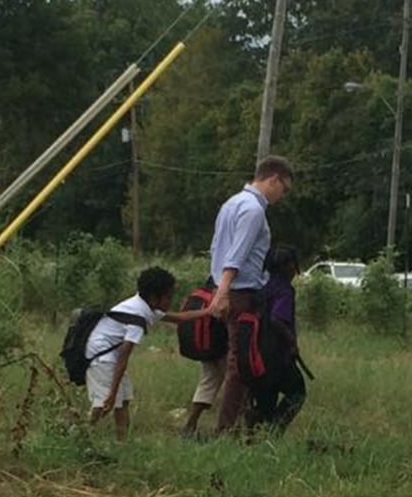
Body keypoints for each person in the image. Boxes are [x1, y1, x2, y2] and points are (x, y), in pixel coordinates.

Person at [209, 155, 294, 433]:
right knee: (242, 364)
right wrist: (224, 291)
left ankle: (244, 422)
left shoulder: (231, 204)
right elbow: (237, 254)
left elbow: (217, 249)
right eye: (284, 188)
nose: (282, 195)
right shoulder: (253, 210)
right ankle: (226, 430)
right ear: (273, 179)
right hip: (240, 292)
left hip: (228, 289)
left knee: (242, 359)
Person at [86, 266, 208, 441]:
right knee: (108, 402)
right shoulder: (137, 318)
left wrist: (209, 311)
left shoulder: (143, 306)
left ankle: (120, 441)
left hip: (107, 356)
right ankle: (84, 433)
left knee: (123, 399)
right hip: (101, 358)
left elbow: (180, 318)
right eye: (168, 296)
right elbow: (123, 356)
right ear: (153, 298)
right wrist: (113, 392)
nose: (170, 300)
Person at [246, 243, 307, 433]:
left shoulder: (262, 290)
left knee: (265, 402)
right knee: (297, 392)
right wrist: (292, 341)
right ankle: (274, 431)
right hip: (277, 356)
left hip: (256, 355)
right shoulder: (285, 291)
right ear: (288, 266)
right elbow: (277, 319)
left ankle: (253, 436)